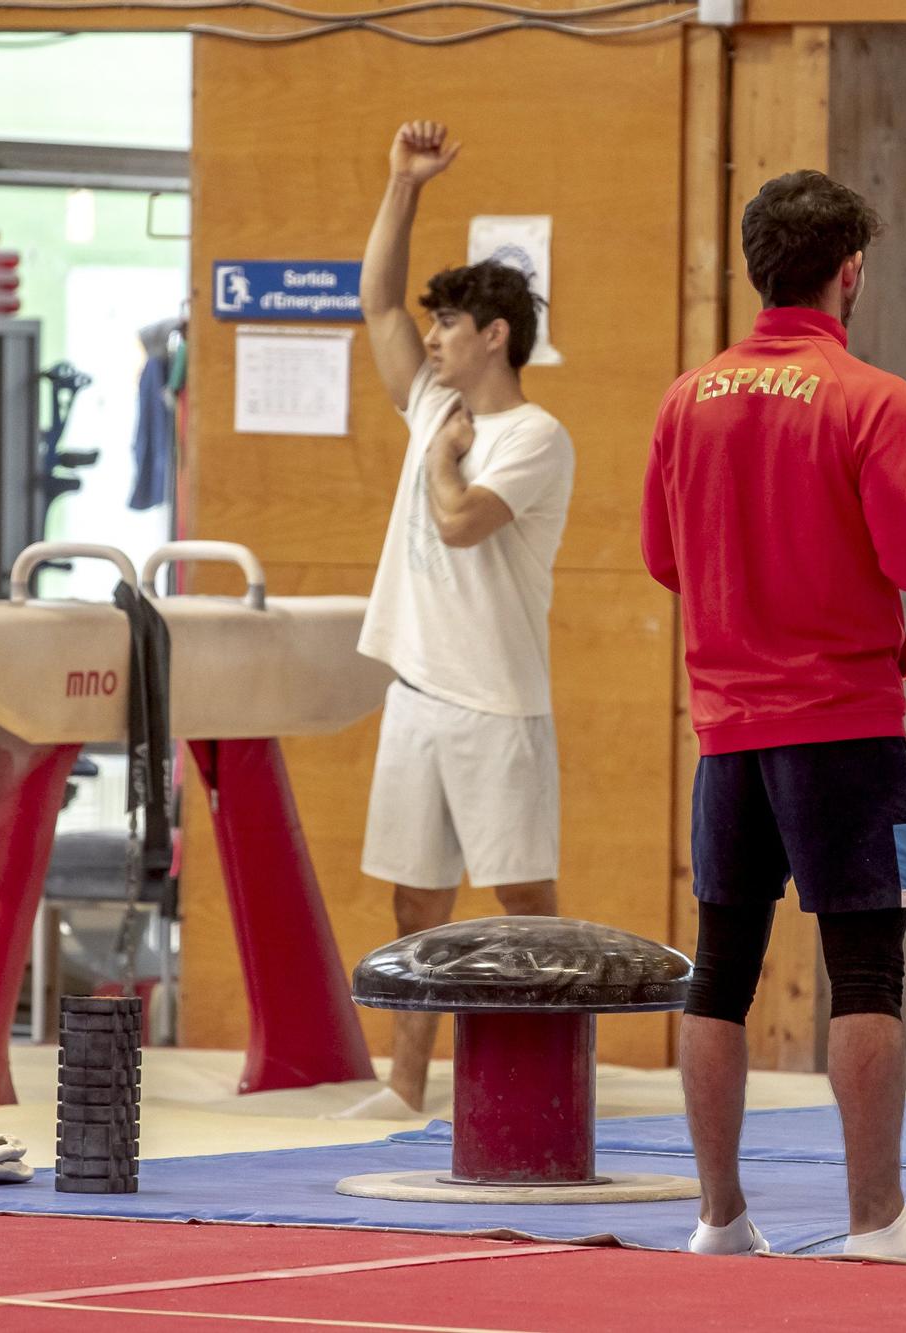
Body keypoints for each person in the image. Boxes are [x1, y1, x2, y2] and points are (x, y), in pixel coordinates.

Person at [640, 170, 906, 1261]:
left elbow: (659, 558)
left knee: (721, 965)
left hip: (728, 731)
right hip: (845, 728)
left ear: (753, 268)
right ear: (849, 271)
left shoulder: (686, 397)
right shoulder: (870, 397)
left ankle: (718, 1217)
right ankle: (877, 1217)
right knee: (869, 966)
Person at [349, 120, 577, 1117]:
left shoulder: (533, 436)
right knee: (414, 898)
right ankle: (404, 1087)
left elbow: (458, 523)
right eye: (431, 323)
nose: (429, 335)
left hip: (495, 702)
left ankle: (556, 1068)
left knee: (524, 900)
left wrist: (443, 461)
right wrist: (402, 186)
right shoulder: (428, 403)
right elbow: (373, 301)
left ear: (494, 335)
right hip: (417, 692)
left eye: (448, 324)